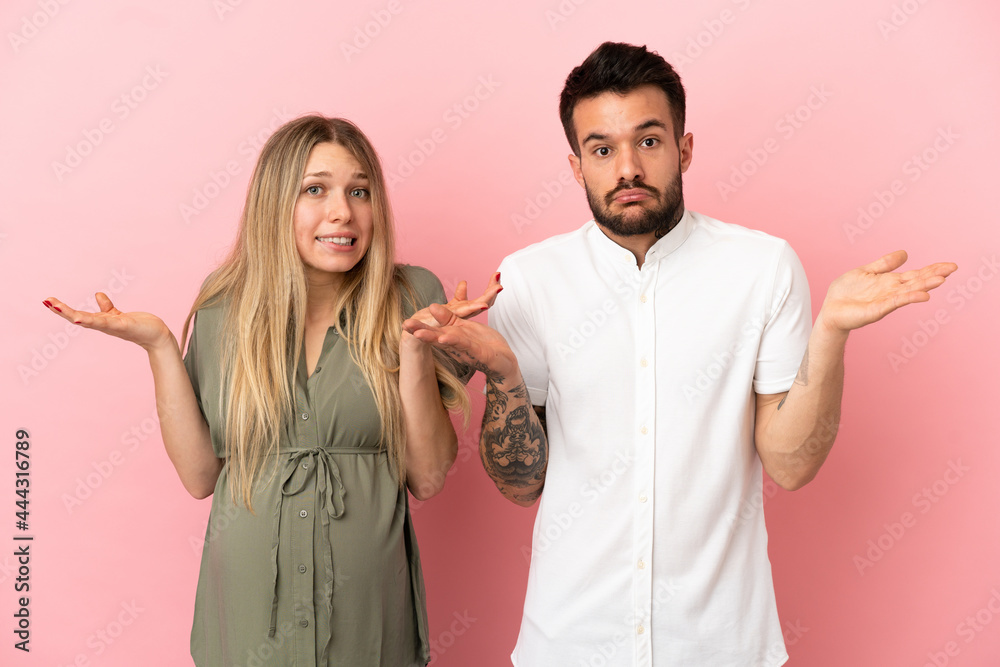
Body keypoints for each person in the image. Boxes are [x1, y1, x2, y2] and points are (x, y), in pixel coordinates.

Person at [404, 42, 957, 665]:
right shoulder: (529, 281)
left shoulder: (761, 267)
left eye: (648, 141)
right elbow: (521, 486)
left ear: (684, 148)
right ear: (576, 165)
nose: (627, 170)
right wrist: (502, 374)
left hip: (721, 644)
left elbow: (790, 465)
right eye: (602, 149)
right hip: (572, 645)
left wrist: (830, 334)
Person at [43, 115, 499, 666]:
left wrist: (415, 349)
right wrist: (160, 346)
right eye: (315, 190)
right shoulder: (223, 311)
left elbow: (426, 477)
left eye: (360, 191)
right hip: (247, 623)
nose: (343, 212)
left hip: (367, 623)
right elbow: (199, 477)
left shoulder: (412, 296)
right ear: (274, 204)